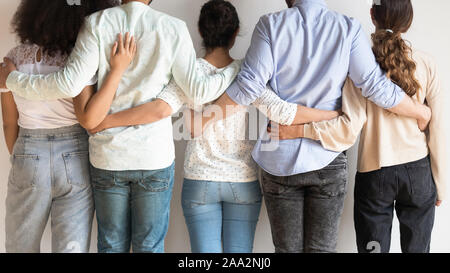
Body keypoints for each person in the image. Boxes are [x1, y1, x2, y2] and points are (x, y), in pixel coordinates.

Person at [88, 0, 339, 253]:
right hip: (243, 181)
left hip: (200, 182)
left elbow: (159, 109)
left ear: (199, 31)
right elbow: (283, 112)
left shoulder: (188, 72)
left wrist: (105, 121)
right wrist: (332, 114)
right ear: (235, 34)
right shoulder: (247, 74)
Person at [0, 0, 244, 253]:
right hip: (153, 157)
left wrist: (12, 80)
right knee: (148, 246)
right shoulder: (173, 27)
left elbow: (69, 85)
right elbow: (198, 91)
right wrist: (235, 67)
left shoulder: (96, 23)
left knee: (111, 245)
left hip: (108, 155)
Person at [192, 0, 432, 253]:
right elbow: (374, 86)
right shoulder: (348, 28)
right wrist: (420, 110)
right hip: (327, 158)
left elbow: (249, 85)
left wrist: (206, 118)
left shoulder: (270, 25)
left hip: (279, 156)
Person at [273, 0, 447, 253]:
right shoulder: (427, 63)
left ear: (372, 15)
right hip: (419, 175)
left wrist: (300, 130)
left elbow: (347, 129)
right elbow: (439, 128)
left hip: (375, 175)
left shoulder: (358, 64)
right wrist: (440, 184)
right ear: (409, 20)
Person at [0, 0, 123, 253]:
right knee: (71, 247)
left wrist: (22, 155)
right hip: (75, 154)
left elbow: (9, 121)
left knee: (20, 245)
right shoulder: (79, 60)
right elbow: (85, 114)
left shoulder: (13, 60)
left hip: (28, 150)